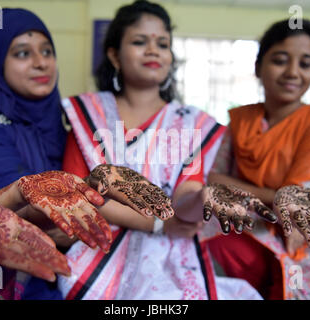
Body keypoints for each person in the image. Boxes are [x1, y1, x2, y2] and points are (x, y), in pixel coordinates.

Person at [0, 8, 173, 300]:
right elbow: (30, 204)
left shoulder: (63, 124)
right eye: (21, 53)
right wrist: (152, 220)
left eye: (46, 51)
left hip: (55, 278)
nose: (40, 63)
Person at [58, 0, 264, 300]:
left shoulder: (190, 122)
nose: (153, 50)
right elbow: (76, 197)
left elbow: (183, 197)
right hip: (99, 249)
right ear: (114, 54)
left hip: (170, 257)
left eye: (163, 44)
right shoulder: (88, 113)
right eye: (140, 41)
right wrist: (156, 223)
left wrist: (203, 199)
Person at [207, 19, 310, 299]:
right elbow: (211, 179)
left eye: (306, 64)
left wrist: (245, 190)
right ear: (258, 67)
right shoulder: (241, 121)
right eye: (280, 60)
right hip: (253, 236)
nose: (293, 73)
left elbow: (304, 201)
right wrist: (275, 195)